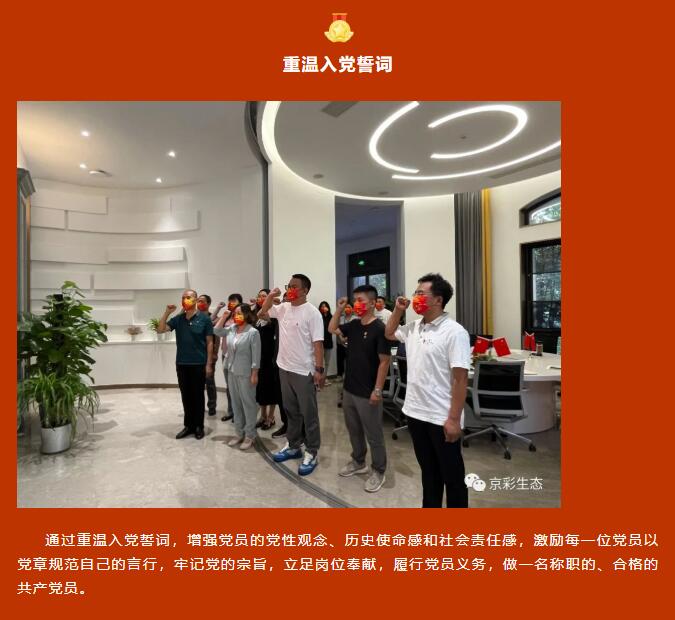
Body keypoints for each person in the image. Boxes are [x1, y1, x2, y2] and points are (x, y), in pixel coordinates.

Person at [384, 273, 471, 508]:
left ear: (438, 300)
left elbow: (460, 379)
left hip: (441, 417)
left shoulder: (454, 332)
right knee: (429, 474)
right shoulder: (414, 327)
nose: (415, 297)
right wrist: (398, 310)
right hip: (415, 413)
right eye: (416, 293)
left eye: (421, 294)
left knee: (452, 477)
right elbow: (389, 333)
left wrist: (454, 419)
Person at [259, 274, 325, 476]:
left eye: (294, 286)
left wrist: (319, 370)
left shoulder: (312, 313)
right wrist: (271, 295)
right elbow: (262, 313)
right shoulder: (283, 308)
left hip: (303, 371)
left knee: (309, 414)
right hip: (284, 368)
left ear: (305, 290)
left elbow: (318, 344)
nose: (290, 289)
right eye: (289, 286)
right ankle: (294, 445)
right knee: (291, 411)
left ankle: (312, 451)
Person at [329, 285, 391, 493]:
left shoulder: (380, 329)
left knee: (374, 434)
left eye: (360, 300)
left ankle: (379, 470)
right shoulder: (354, 325)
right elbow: (332, 328)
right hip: (349, 389)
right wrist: (339, 309)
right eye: (354, 300)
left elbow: (384, 361)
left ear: (372, 303)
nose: (356, 304)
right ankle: (358, 461)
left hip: (368, 391)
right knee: (353, 430)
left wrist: (377, 390)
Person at [158, 289, 214, 440]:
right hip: (182, 364)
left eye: (188, 297)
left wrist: (209, 364)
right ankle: (188, 426)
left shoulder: (205, 319)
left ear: (195, 299)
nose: (185, 300)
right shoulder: (178, 319)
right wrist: (167, 313)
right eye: (183, 298)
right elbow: (160, 329)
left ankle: (199, 426)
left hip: (199, 364)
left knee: (198, 396)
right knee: (186, 396)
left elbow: (210, 342)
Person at [214, 304, 261, 450]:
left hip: (246, 372)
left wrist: (255, 373)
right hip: (231, 370)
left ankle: (250, 435)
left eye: (239, 313)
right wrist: (224, 316)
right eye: (235, 313)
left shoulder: (253, 332)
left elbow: (256, 355)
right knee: (235, 403)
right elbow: (216, 330)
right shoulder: (232, 328)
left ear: (247, 314)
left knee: (248, 404)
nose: (236, 315)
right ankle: (239, 433)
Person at [252, 289, 283, 431]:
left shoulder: (273, 315)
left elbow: (264, 314)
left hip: (270, 358)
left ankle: (271, 416)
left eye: (264, 296)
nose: (260, 298)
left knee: (271, 388)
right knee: (261, 388)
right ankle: (263, 415)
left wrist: (272, 301)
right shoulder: (255, 316)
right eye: (259, 296)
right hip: (259, 357)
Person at [212, 293, 243, 422]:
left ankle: (239, 414)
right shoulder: (226, 317)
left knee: (238, 387)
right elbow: (212, 322)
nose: (231, 304)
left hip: (238, 357)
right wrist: (218, 309)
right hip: (225, 356)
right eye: (230, 301)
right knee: (229, 386)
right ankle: (231, 412)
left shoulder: (241, 318)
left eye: (234, 301)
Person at [197, 294, 218, 416]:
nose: (199, 303)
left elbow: (217, 337)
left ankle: (212, 407)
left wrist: (215, 353)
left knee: (209, 382)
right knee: (197, 383)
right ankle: (199, 406)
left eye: (202, 301)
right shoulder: (194, 317)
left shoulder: (214, 318)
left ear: (208, 304)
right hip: (196, 356)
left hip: (209, 355)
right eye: (198, 301)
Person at [319, 301, 334, 385]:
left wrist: (328, 315)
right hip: (320, 343)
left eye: (325, 306)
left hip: (329, 342)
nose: (323, 308)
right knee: (320, 362)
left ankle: (324, 378)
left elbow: (333, 327)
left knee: (327, 363)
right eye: (322, 306)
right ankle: (319, 379)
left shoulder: (330, 317)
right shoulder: (318, 316)